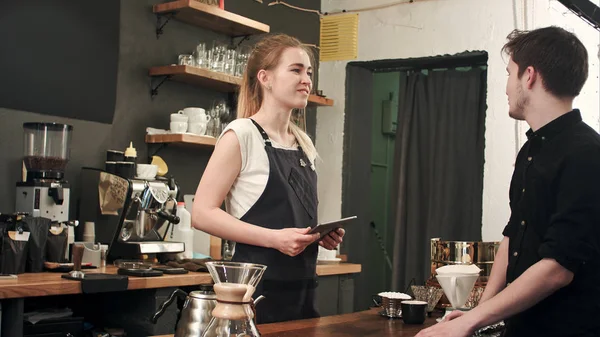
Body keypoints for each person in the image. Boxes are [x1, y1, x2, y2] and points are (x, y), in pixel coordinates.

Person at [416, 26, 600, 337]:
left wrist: (473, 321)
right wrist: (476, 314)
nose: (505, 87)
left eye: (508, 73)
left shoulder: (587, 154)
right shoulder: (531, 150)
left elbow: (557, 269)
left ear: (528, 76)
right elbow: (514, 234)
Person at [191, 33, 344, 324]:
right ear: (265, 78)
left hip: (302, 293)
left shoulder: (303, 143)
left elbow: (294, 218)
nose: (306, 80)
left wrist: (317, 235)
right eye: (296, 70)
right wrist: (275, 239)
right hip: (256, 296)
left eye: (309, 72)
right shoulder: (242, 134)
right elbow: (201, 213)